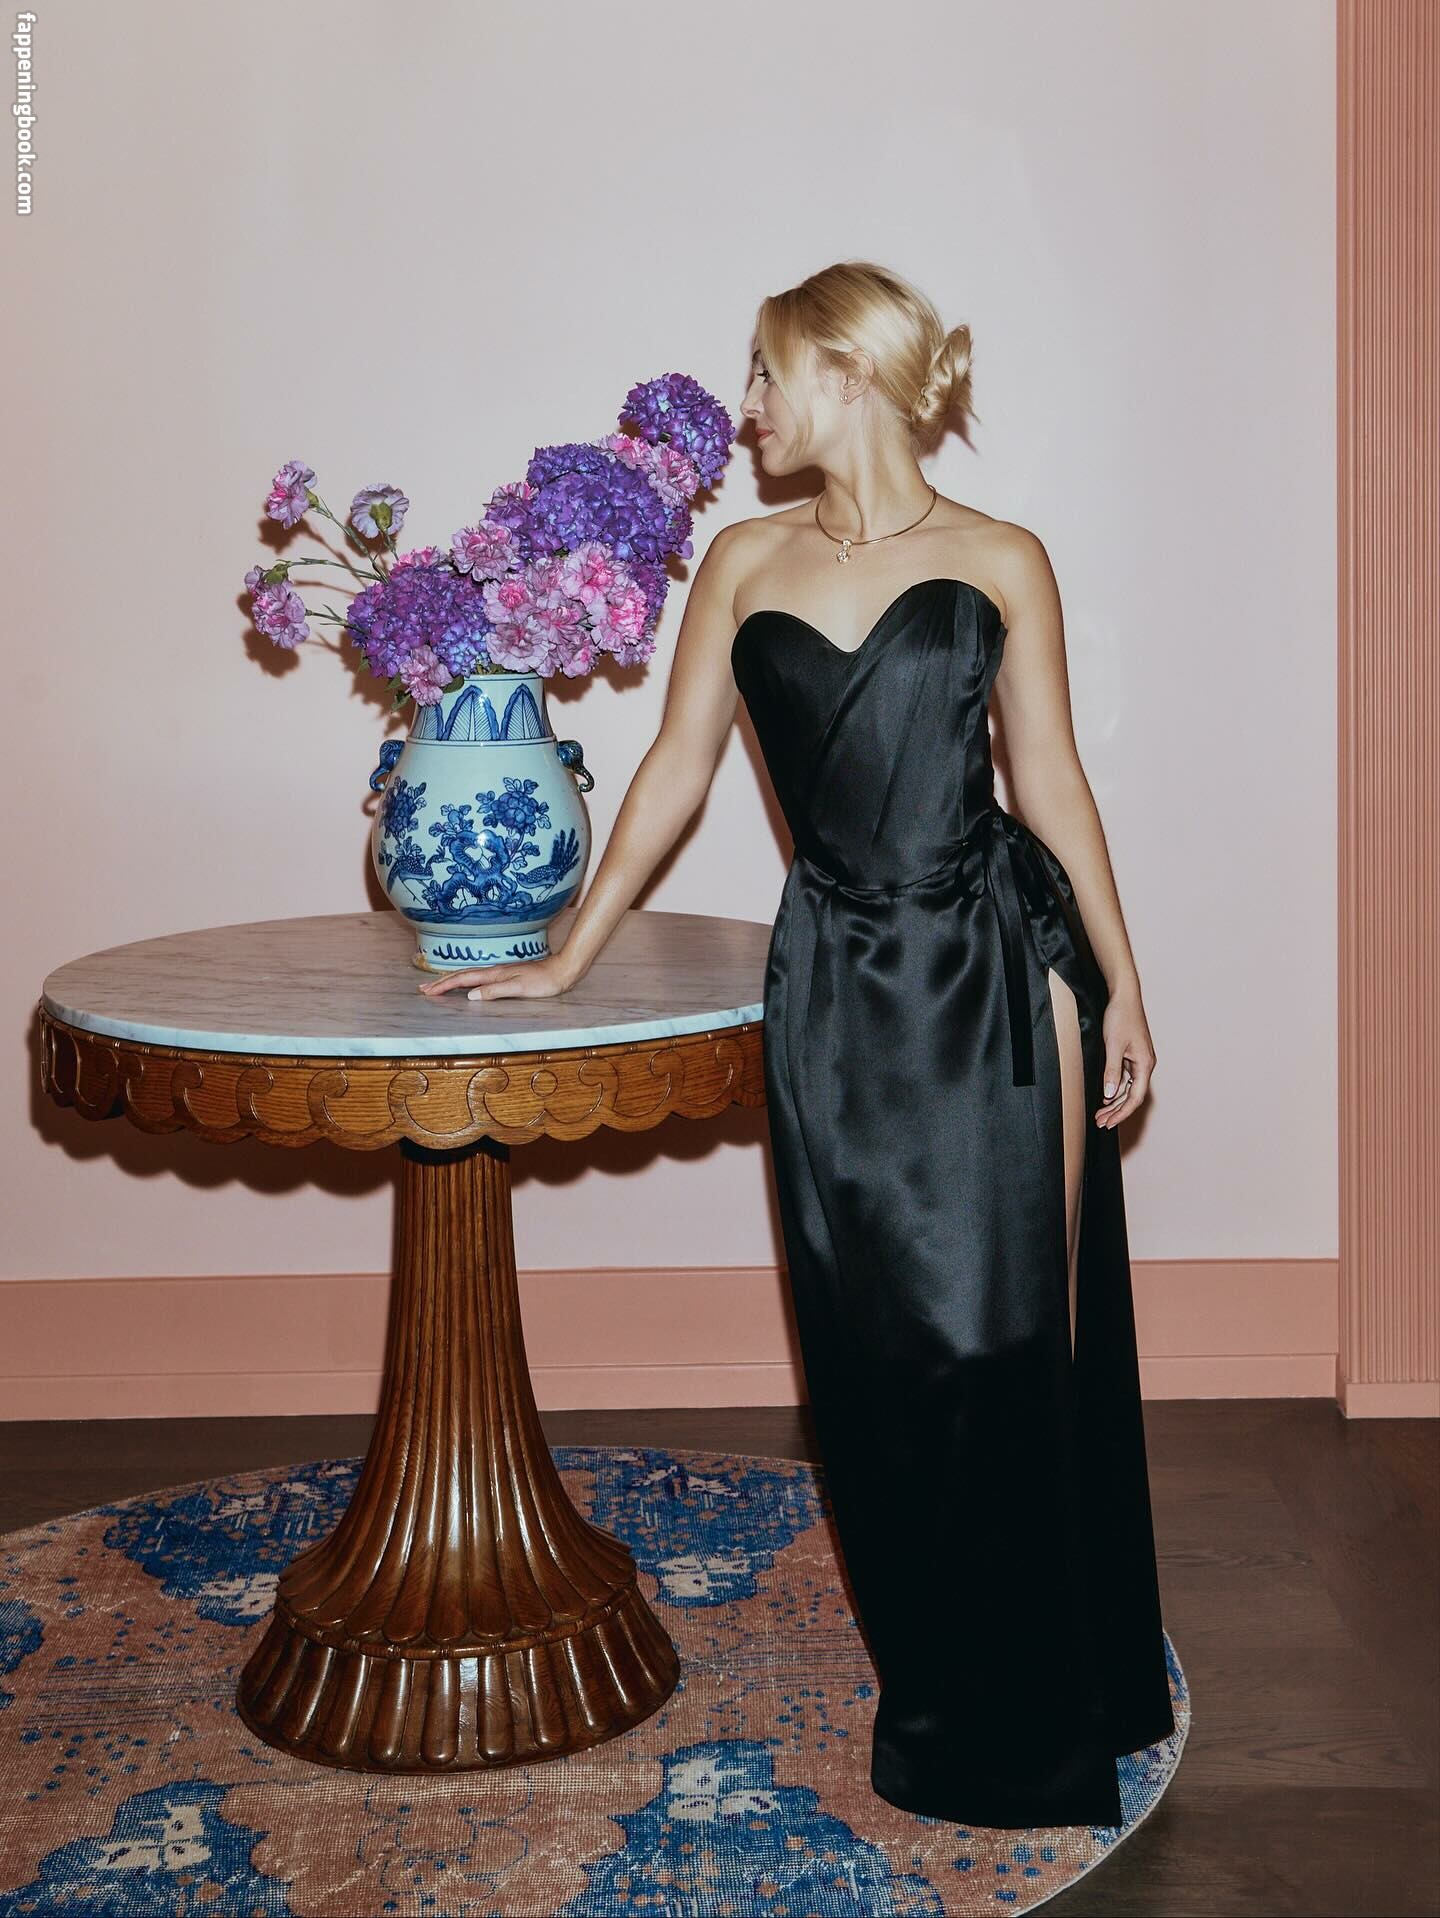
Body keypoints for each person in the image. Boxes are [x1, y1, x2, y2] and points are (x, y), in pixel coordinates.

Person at [419, 258, 1176, 1829]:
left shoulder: (1002, 558)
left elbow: (1050, 779)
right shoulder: (741, 563)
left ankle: (1035, 1713)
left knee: (1009, 1341)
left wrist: (1122, 978)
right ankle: (941, 1671)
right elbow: (673, 772)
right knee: (874, 1357)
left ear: (849, 373)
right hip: (833, 984)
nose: (747, 404)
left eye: (767, 372)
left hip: (996, 971)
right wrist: (565, 957)